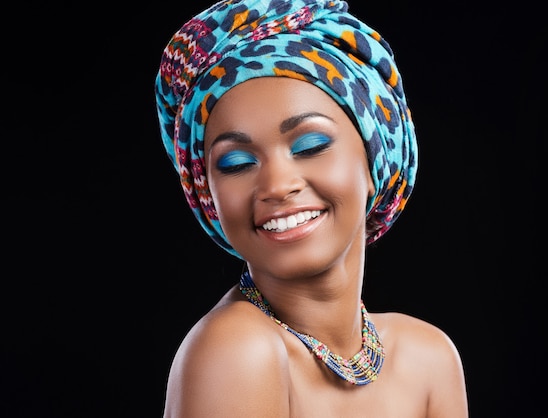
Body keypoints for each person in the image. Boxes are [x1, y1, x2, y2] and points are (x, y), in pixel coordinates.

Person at [155, 0, 469, 416]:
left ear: (376, 159)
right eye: (236, 163)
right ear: (208, 194)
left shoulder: (429, 356)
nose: (276, 185)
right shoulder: (237, 349)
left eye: (310, 145)